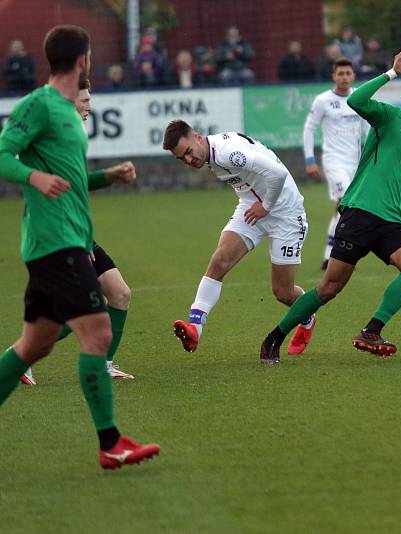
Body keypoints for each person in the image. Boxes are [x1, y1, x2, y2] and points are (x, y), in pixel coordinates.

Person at [0, 25, 159, 469]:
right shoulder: (41, 105)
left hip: (67, 238)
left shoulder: (69, 112)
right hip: (55, 242)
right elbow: (1, 153)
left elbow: (68, 182)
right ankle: (111, 443)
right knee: (98, 332)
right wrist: (33, 178)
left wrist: (108, 177)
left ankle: (111, 443)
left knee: (34, 345)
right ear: (83, 59)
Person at [260, 47, 401, 364]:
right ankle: (274, 338)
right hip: (359, 214)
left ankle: (371, 330)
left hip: (390, 221)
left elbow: (399, 182)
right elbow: (356, 101)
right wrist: (392, 72)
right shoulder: (389, 117)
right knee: (329, 288)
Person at [162, 121, 317, 357]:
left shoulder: (228, 154)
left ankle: (307, 317)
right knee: (219, 261)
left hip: (285, 212)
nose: (189, 161)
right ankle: (195, 329)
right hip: (251, 207)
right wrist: (260, 206)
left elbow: (278, 173)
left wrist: (265, 206)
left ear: (198, 137)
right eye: (181, 158)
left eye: (189, 152)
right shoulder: (211, 155)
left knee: (283, 292)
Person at [21, 76, 136, 386]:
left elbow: (76, 186)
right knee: (87, 304)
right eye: (85, 100)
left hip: (79, 230)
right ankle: (21, 358)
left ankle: (105, 365)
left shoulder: (74, 132)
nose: (90, 106)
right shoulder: (54, 135)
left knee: (120, 294)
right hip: (61, 233)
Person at [303, 58, 370, 270]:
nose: (344, 77)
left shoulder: (360, 97)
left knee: (342, 209)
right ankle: (337, 252)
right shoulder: (323, 100)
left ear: (353, 76)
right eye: (340, 73)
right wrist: (309, 159)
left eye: (347, 73)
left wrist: (370, 157)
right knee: (346, 204)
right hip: (334, 160)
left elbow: (368, 129)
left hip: (355, 163)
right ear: (334, 76)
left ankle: (328, 254)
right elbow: (309, 129)